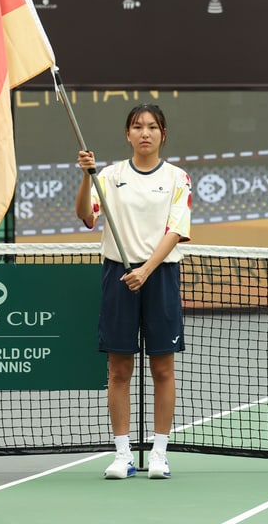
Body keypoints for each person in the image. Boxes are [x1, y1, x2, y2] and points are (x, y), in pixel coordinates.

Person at [74, 104, 192, 480]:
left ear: (163, 134)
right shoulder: (108, 176)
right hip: (118, 275)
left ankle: (159, 453)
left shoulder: (178, 178)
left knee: (162, 369)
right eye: (138, 127)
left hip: (159, 276)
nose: (145, 133)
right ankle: (122, 454)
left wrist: (146, 269)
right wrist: (85, 177)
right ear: (128, 134)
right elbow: (86, 217)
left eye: (153, 127)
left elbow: (175, 230)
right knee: (118, 369)